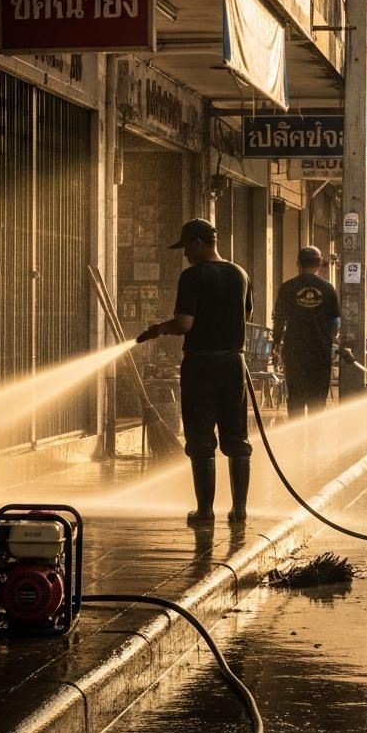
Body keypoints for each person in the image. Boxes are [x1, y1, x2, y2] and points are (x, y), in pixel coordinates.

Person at [137, 218, 253, 527]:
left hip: (201, 364)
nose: (185, 253)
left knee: (201, 438)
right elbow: (247, 314)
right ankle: (239, 510)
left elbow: (184, 324)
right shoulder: (239, 274)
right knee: (236, 438)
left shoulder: (192, 276)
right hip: (233, 364)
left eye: (187, 246)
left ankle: (205, 511)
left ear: (198, 243)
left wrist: (158, 329)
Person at [272, 245, 341, 418]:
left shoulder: (287, 287)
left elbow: (279, 320)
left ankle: (297, 441)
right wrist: (329, 340)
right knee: (317, 403)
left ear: (299, 264)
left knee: (295, 400)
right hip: (320, 353)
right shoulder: (327, 289)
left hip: (295, 353)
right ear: (319, 264)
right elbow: (336, 322)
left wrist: (276, 346)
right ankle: (313, 443)